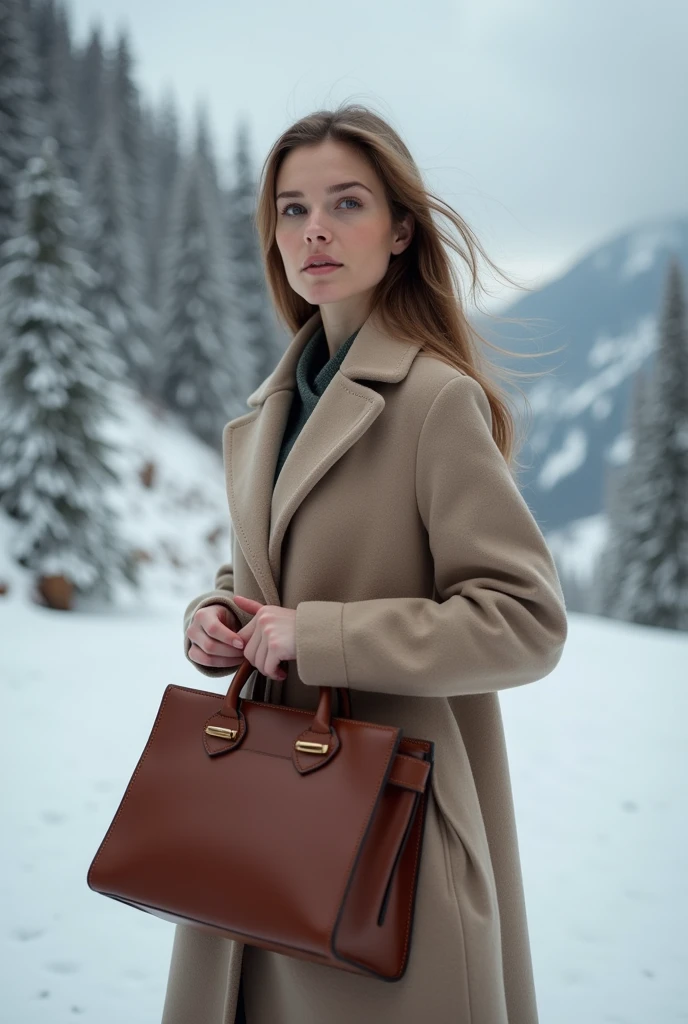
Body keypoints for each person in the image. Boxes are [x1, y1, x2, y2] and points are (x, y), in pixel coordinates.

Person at [161, 103, 568, 1024]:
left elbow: (525, 621)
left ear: (400, 230)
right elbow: (267, 574)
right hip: (256, 827)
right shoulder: (268, 409)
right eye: (293, 209)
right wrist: (215, 615)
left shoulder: (435, 402)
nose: (315, 231)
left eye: (346, 203)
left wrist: (321, 637)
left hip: (387, 841)